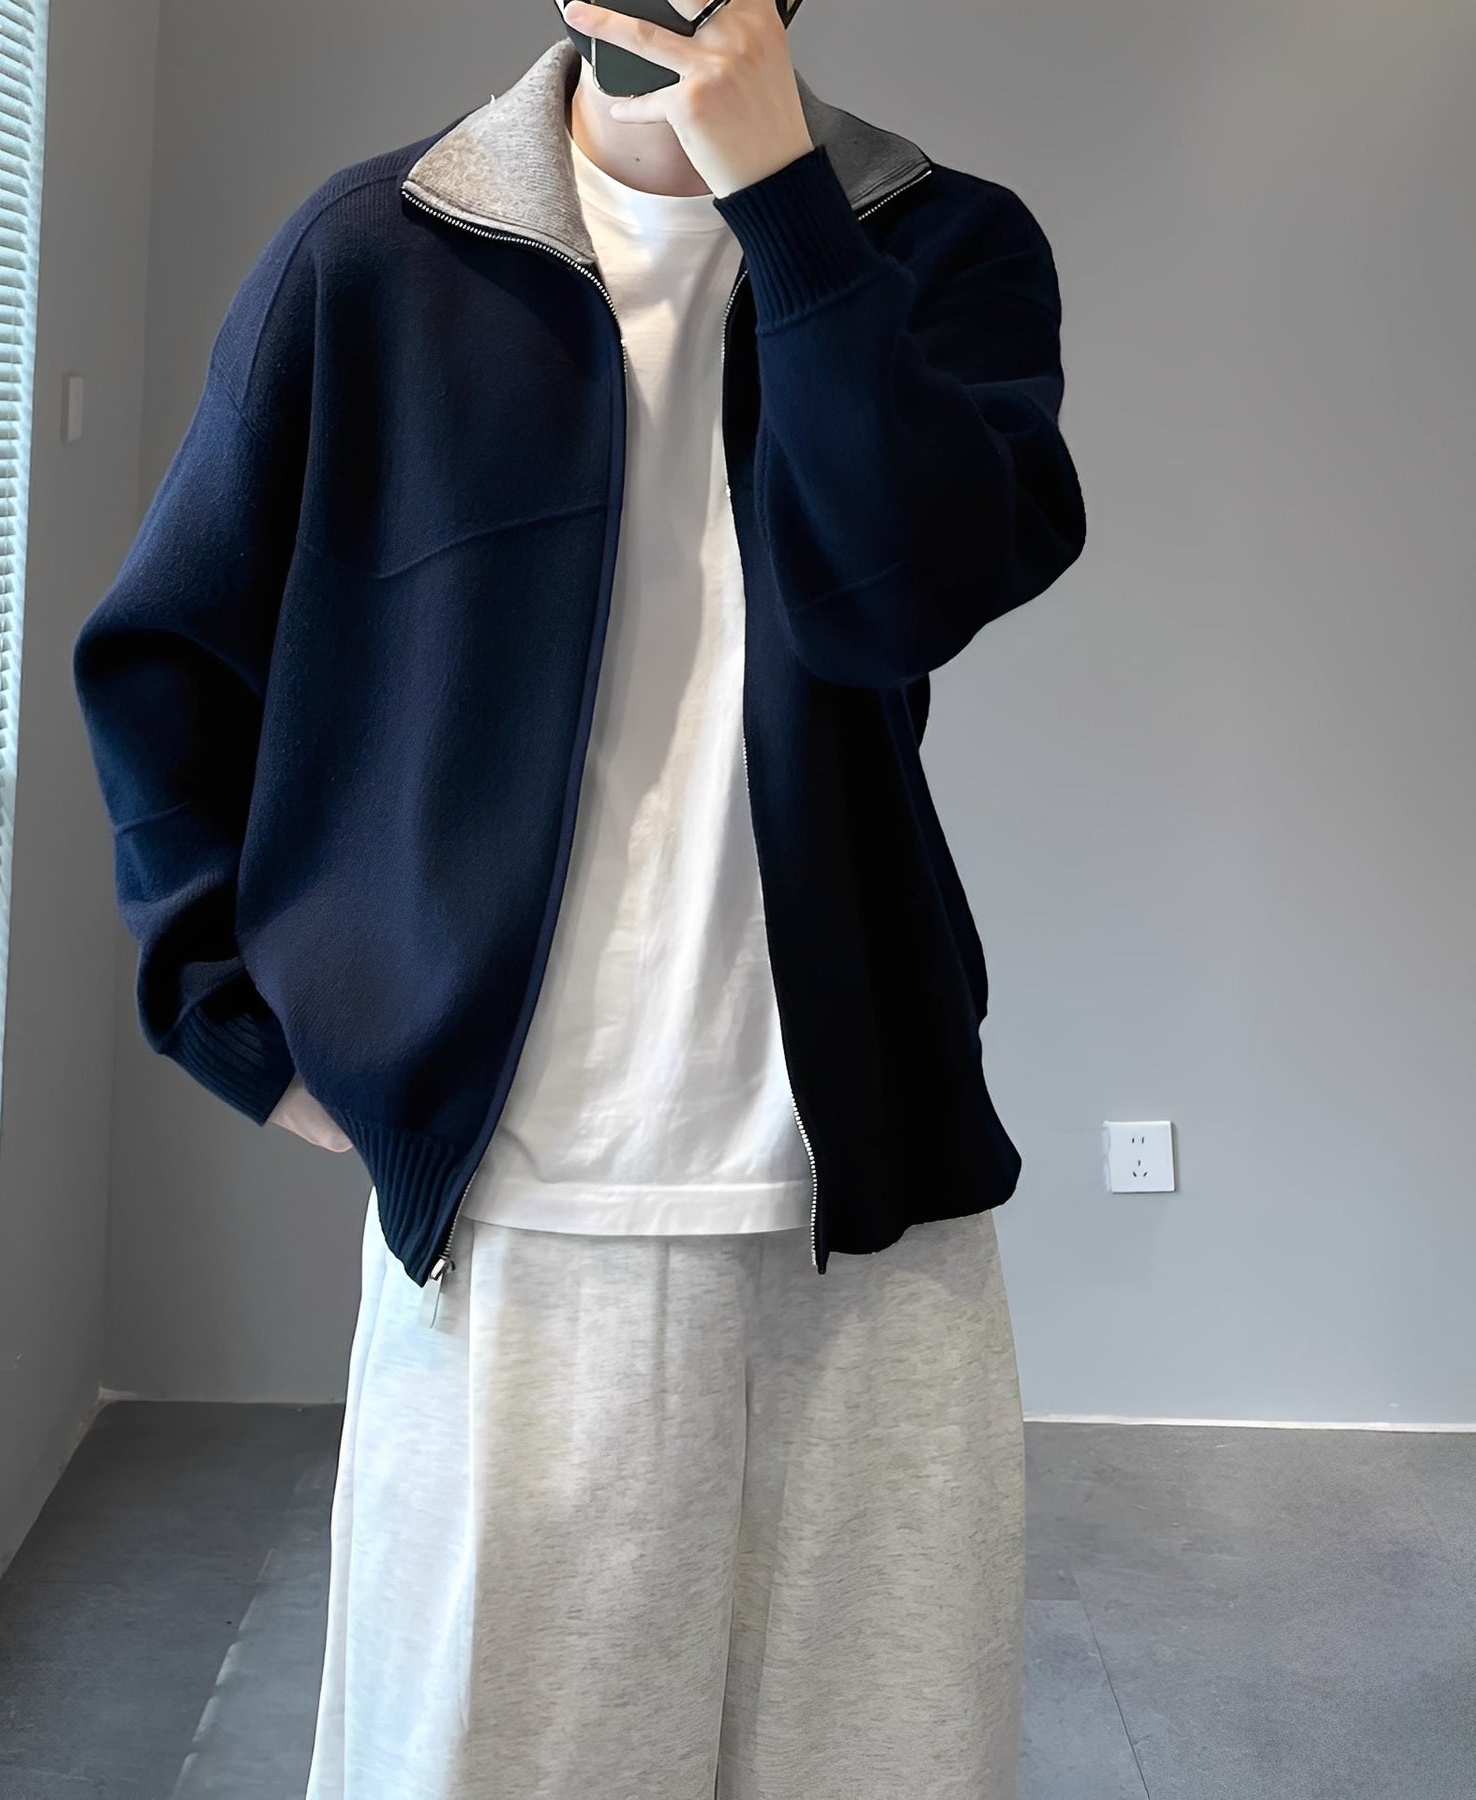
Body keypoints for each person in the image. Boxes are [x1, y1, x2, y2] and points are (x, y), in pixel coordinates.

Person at [72, 2, 1086, 1794]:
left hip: (870, 1211)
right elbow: (165, 663)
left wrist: (786, 207)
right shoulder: (369, 258)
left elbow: (898, 596)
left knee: (886, 1761)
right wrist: (246, 1030)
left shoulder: (943, 244)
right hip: (509, 1214)